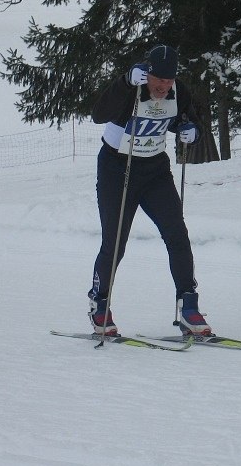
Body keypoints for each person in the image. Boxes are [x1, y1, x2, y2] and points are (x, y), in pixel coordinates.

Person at [88, 44, 213, 338]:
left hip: (155, 170)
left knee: (177, 234)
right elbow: (98, 114)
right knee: (115, 243)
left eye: (168, 81)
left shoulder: (178, 91)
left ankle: (188, 307)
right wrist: (123, 82)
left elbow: (188, 119)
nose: (163, 87)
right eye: (158, 80)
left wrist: (192, 132)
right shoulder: (132, 87)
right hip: (117, 169)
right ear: (148, 74)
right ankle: (99, 304)